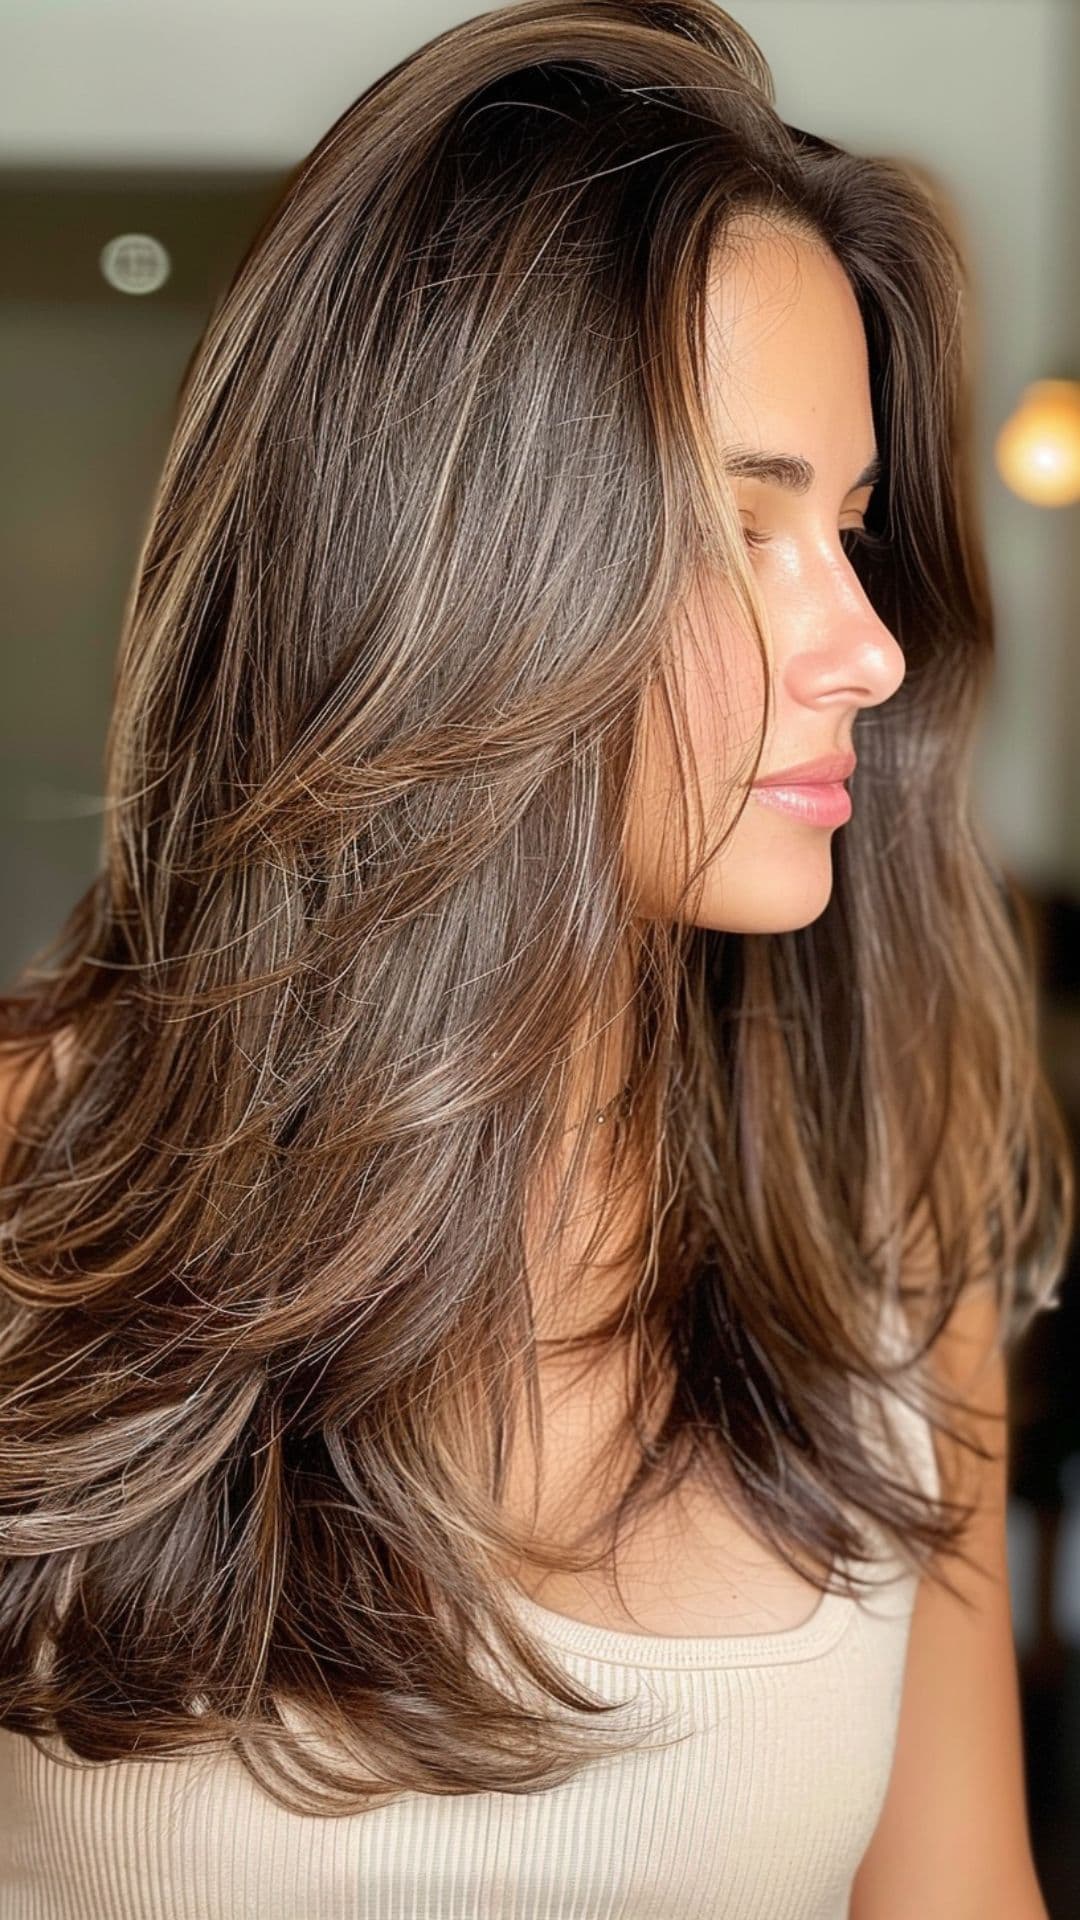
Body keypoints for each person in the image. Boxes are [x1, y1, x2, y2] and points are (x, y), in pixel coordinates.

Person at [0, 2, 1069, 1914]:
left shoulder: (880, 1250)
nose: (874, 648)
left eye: (854, 525)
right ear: (458, 564)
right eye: (744, 530)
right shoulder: (33, 1188)